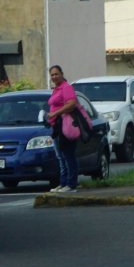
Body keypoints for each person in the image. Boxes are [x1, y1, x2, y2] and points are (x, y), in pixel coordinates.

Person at [47, 65, 80, 193]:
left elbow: (71, 104)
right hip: (56, 126)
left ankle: (71, 184)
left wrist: (55, 113)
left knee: (68, 155)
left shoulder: (66, 87)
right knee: (61, 157)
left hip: (65, 126)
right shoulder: (56, 89)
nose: (54, 77)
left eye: (56, 74)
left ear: (62, 73)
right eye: (52, 75)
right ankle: (63, 182)